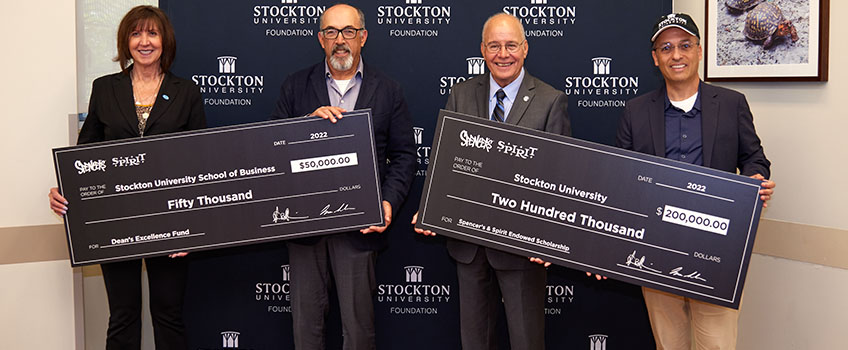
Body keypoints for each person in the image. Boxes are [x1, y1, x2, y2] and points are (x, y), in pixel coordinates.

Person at [48, 5, 206, 349]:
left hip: (170, 222)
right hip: (116, 223)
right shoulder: (104, 88)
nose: (144, 41)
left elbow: (199, 163)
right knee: (122, 314)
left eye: (152, 33)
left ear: (165, 41)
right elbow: (85, 152)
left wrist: (191, 228)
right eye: (136, 34)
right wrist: (63, 189)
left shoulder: (187, 92)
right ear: (125, 42)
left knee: (169, 313)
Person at [616, 13, 776, 350]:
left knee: (717, 345)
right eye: (667, 48)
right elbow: (620, 176)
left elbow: (754, 158)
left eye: (685, 45)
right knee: (668, 344)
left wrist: (755, 179)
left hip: (716, 251)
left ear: (699, 51)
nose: (677, 55)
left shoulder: (732, 104)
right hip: (654, 250)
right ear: (655, 57)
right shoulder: (635, 110)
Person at [413, 13, 570, 350]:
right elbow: (445, 160)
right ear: (483, 50)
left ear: (525, 48)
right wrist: (430, 208)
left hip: (521, 249)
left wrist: (550, 237)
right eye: (495, 46)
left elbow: (559, 176)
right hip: (469, 246)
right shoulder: (460, 94)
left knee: (526, 341)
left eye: (511, 45)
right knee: (474, 342)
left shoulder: (550, 100)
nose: (503, 54)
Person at [269, 4, 415, 349]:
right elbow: (272, 148)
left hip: (360, 228)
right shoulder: (295, 86)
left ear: (363, 37)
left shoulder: (388, 90)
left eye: (348, 31)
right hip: (306, 227)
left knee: (359, 331)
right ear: (321, 39)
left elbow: (405, 156)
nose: (340, 41)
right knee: (306, 332)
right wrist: (305, 126)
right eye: (331, 32)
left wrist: (388, 202)